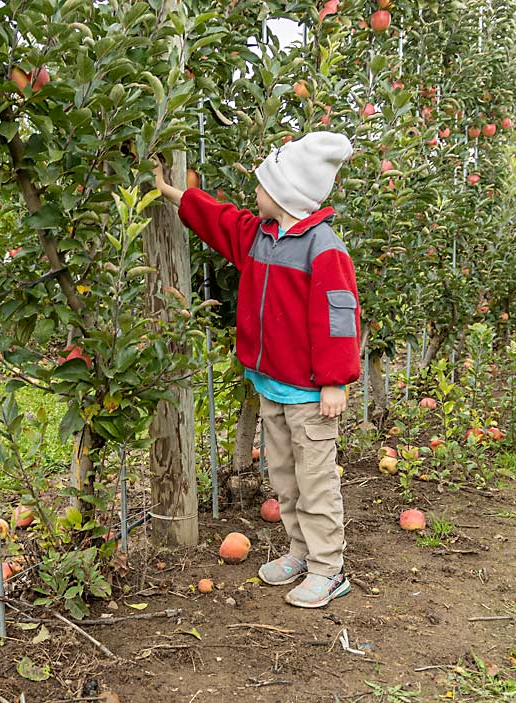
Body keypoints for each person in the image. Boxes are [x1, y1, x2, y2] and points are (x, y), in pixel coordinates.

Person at [152, 132, 361, 608]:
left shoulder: (322, 249)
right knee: (285, 480)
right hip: (273, 386)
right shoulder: (260, 236)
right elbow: (220, 220)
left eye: (264, 184)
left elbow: (339, 317)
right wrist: (171, 191)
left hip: (311, 396)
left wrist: (334, 381)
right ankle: (301, 552)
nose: (255, 192)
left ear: (287, 194)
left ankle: (330, 568)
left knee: (316, 483)